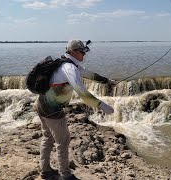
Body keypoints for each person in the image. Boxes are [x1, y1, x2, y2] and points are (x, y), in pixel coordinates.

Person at [36, 39, 115, 180]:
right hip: (52, 109)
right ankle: (65, 175)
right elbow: (83, 93)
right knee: (63, 141)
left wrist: (106, 81)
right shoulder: (70, 68)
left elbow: (90, 74)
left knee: (47, 138)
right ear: (73, 52)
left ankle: (45, 171)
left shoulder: (67, 63)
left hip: (41, 104)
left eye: (85, 51)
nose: (84, 54)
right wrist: (103, 106)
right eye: (82, 51)